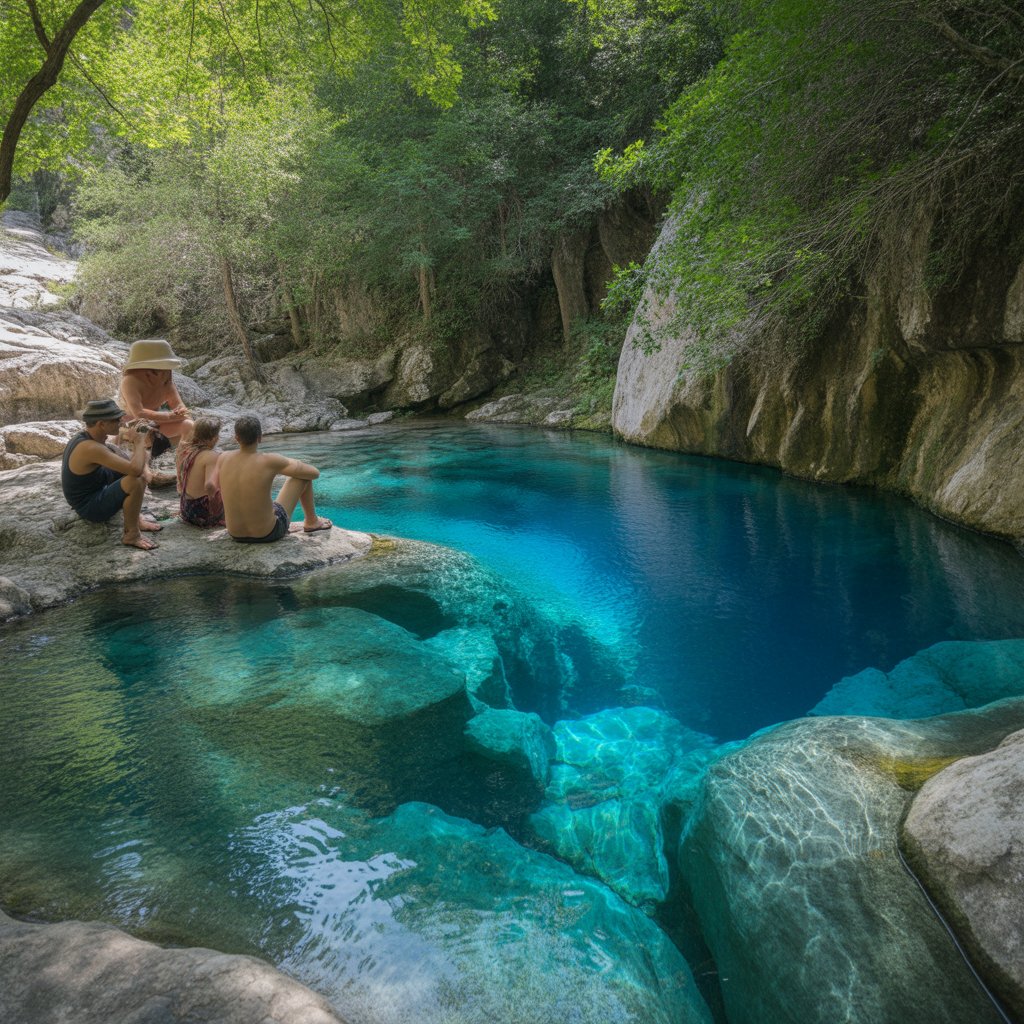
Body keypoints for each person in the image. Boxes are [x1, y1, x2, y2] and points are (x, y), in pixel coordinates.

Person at [61, 398, 163, 551]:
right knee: (136, 481)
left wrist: (136, 431)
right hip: (89, 506)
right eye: (116, 419)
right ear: (101, 424)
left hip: (96, 488)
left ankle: (137, 520)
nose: (121, 421)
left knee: (122, 461)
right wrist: (139, 441)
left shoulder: (90, 437)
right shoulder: (90, 447)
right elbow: (136, 470)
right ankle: (132, 534)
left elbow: (128, 463)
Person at [216, 415, 332, 543]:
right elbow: (314, 473)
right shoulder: (269, 460)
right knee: (302, 478)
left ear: (236, 438)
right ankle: (312, 522)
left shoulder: (223, 458)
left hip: (235, 534)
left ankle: (305, 521)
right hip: (267, 533)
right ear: (260, 438)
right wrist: (291, 462)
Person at [118, 339, 195, 469]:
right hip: (131, 427)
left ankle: (182, 463)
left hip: (156, 424)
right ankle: (146, 464)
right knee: (145, 433)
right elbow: (139, 413)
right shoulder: (130, 381)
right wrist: (171, 416)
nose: (166, 372)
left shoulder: (167, 383)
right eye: (162, 368)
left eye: (167, 368)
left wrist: (182, 414)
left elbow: (180, 408)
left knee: (190, 426)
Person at [176, 416, 225, 527]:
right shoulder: (211, 456)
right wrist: (214, 505)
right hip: (203, 513)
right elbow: (209, 485)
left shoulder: (186, 450)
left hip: (187, 509)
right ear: (214, 438)